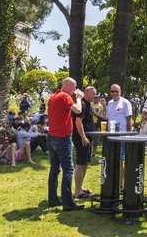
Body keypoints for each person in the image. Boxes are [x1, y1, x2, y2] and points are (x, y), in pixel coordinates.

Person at [47, 78, 84, 211]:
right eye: (74, 87)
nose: (75, 90)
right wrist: (79, 98)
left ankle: (52, 199)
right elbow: (78, 110)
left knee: (54, 169)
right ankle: (68, 203)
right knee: (68, 169)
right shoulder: (65, 96)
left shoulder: (52, 97)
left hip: (51, 136)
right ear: (67, 85)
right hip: (62, 137)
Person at [105, 84, 133, 190]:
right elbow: (109, 119)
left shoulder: (125, 103)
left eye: (116, 91)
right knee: (112, 161)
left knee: (121, 161)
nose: (114, 93)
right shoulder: (110, 103)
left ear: (120, 92)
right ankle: (114, 183)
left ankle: (122, 185)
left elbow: (129, 120)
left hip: (122, 137)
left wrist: (128, 137)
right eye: (112, 91)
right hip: (111, 136)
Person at [72, 86, 96, 199]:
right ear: (86, 93)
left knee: (85, 164)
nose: (94, 96)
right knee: (80, 164)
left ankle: (80, 188)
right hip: (81, 138)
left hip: (87, 138)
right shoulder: (82, 104)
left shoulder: (88, 104)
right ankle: (77, 191)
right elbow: (78, 122)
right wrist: (83, 136)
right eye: (92, 94)